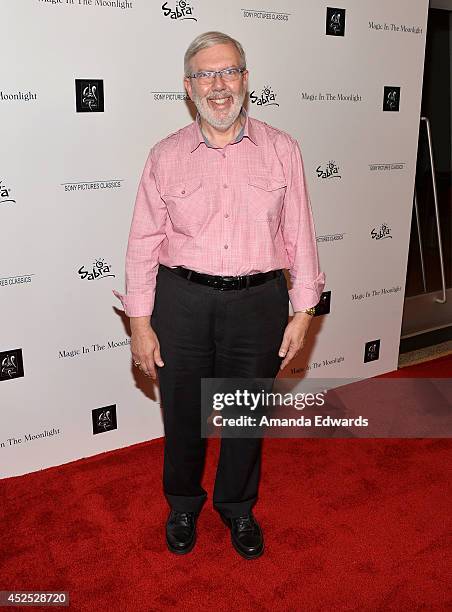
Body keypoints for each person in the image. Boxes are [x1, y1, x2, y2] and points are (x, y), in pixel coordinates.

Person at [113, 31, 325, 560]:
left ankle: (237, 507)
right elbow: (143, 241)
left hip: (259, 303)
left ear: (246, 79)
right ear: (189, 88)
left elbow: (300, 234)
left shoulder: (282, 150)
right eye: (205, 74)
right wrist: (140, 321)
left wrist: (303, 310)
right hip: (181, 301)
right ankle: (183, 503)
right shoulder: (165, 156)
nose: (218, 84)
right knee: (183, 413)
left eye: (228, 71)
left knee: (246, 415)